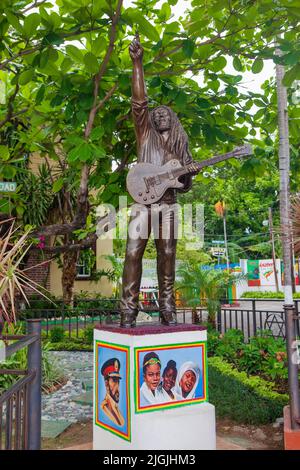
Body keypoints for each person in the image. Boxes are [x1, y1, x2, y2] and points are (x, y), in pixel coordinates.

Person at [120, 34, 198, 328]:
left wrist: (189, 175)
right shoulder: (145, 136)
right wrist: (137, 62)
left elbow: (184, 184)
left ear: (173, 120)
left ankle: (168, 309)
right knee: (132, 253)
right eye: (157, 113)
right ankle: (128, 310)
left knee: (167, 255)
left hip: (168, 206)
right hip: (142, 204)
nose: (160, 114)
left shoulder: (180, 148)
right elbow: (139, 102)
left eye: (166, 113)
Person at [100, 358, 125, 427]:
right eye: (114, 381)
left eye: (118, 382)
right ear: (106, 383)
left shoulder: (115, 407)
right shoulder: (105, 407)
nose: (117, 387)